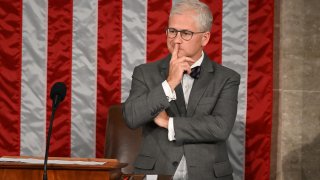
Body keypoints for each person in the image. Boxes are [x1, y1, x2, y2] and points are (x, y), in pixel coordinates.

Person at [122, 0, 240, 179]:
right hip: (156, 172)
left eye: (186, 33)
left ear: (205, 38)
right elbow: (131, 117)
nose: (176, 40)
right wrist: (169, 83)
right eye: (172, 31)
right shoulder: (144, 73)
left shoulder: (227, 78)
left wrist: (169, 123)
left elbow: (220, 127)